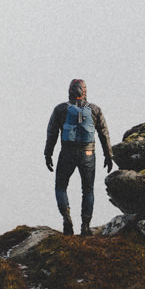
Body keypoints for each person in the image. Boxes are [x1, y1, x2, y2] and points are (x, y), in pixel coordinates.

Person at [44, 78, 113, 235]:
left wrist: (48, 153)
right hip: (88, 152)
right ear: (85, 91)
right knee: (88, 190)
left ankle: (67, 218)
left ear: (69, 91)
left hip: (67, 152)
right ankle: (86, 226)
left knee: (61, 187)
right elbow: (104, 133)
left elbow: (52, 133)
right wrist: (108, 155)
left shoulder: (60, 109)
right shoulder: (95, 109)